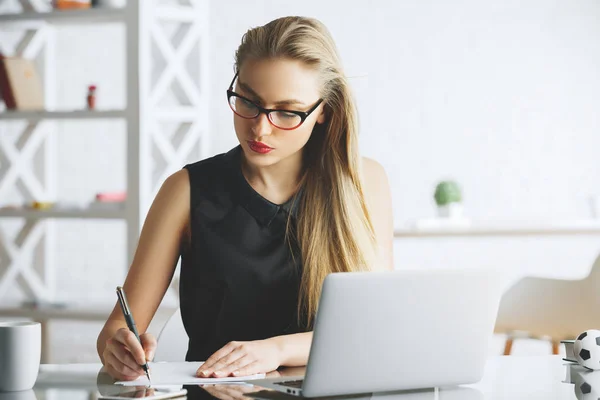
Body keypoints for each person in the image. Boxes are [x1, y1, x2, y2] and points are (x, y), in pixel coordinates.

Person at [97, 16, 393, 381]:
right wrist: (119, 350)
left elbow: (375, 327)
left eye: (286, 112)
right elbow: (114, 332)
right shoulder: (185, 190)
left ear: (323, 113)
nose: (260, 128)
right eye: (249, 101)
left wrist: (276, 349)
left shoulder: (364, 182)